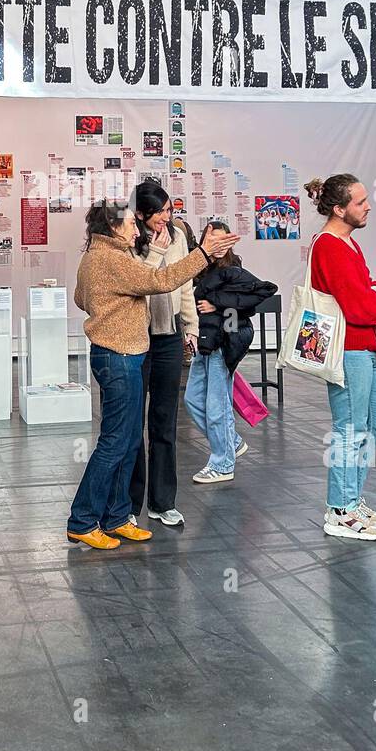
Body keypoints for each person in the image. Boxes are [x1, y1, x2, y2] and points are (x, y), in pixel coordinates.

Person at [69, 202, 237, 549]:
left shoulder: (99, 256)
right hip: (119, 357)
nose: (137, 230)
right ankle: (83, 520)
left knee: (129, 439)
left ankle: (116, 517)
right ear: (114, 227)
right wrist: (203, 253)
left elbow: (80, 299)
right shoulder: (110, 260)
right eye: (131, 224)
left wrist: (109, 309)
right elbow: (159, 281)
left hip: (120, 355)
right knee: (115, 442)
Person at [305, 175, 376, 541]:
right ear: (339, 209)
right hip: (349, 349)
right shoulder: (329, 245)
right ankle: (339, 509)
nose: (368, 205)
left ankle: (351, 499)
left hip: (365, 347)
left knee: (375, 426)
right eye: (360, 201)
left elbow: (370, 286)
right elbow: (358, 304)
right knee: (350, 429)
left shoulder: (347, 243)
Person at [127, 182, 200, 528]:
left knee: (164, 420)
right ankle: (129, 504)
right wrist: (155, 251)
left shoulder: (178, 236)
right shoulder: (128, 236)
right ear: (141, 214)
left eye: (170, 211)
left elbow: (184, 284)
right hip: (135, 336)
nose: (166, 218)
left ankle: (162, 501)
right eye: (160, 213)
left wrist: (191, 326)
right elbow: (141, 280)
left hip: (169, 335)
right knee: (131, 424)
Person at [186, 222, 277, 485]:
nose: (215, 243)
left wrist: (217, 304)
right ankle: (231, 442)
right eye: (209, 238)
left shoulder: (233, 271)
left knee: (218, 407)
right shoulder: (201, 269)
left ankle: (223, 463)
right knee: (193, 400)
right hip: (204, 344)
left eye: (219, 238)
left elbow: (264, 291)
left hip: (223, 344)